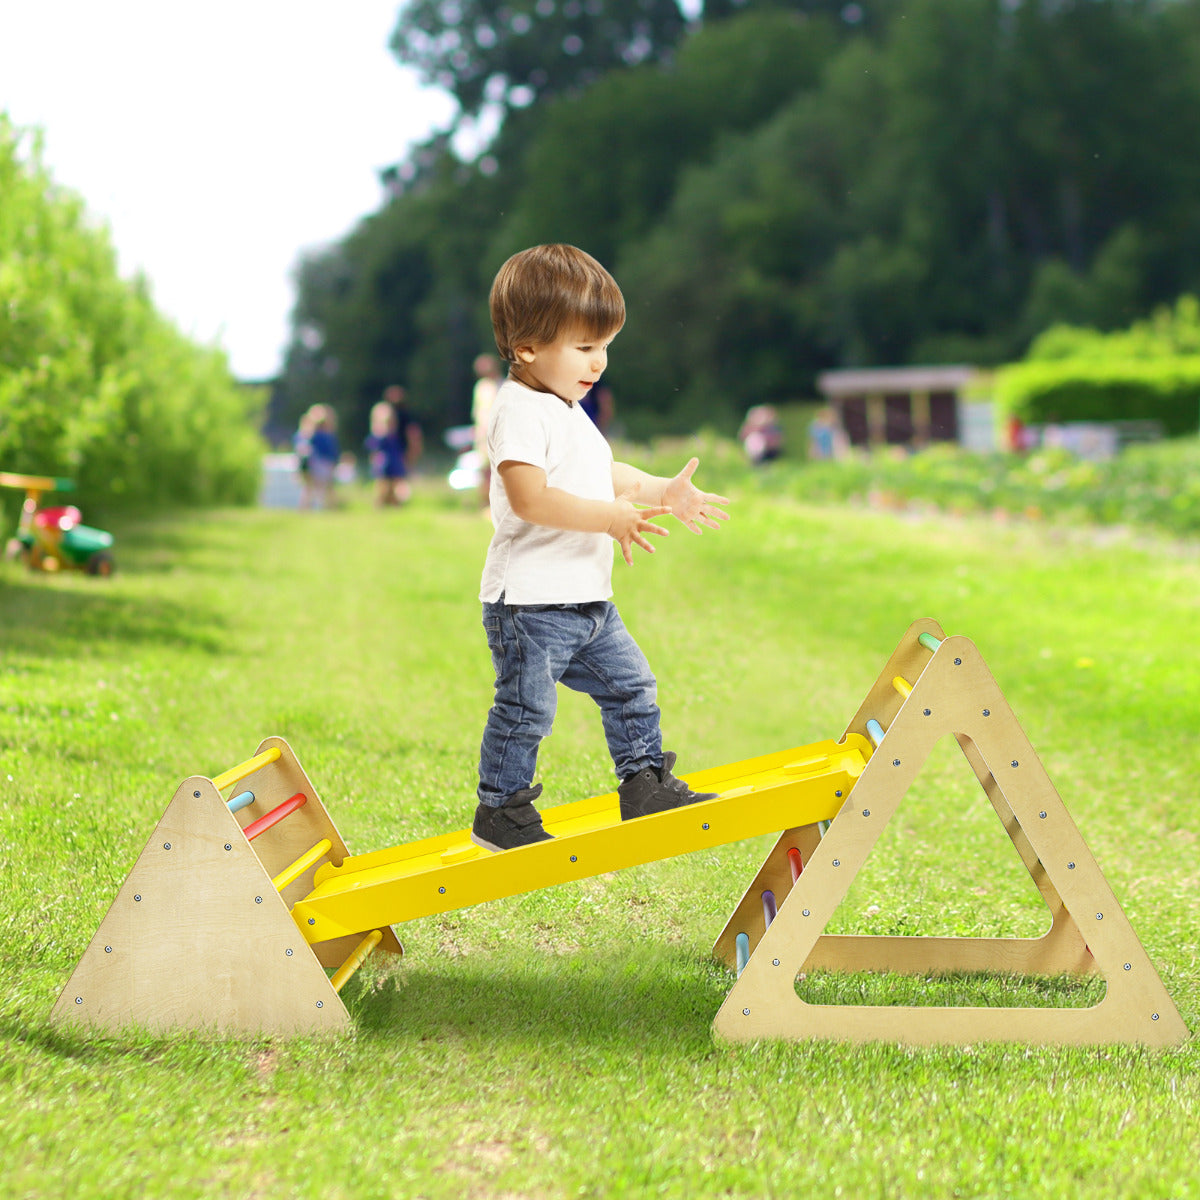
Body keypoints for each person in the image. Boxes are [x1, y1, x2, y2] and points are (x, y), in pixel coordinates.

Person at [472, 243, 732, 853]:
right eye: (585, 347)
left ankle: (644, 785)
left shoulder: (566, 409)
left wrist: (664, 491)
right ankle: (500, 809)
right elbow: (530, 497)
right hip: (530, 606)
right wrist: (609, 520)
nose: (599, 362)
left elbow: (604, 474)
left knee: (632, 686)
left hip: (588, 603)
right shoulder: (519, 411)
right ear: (527, 347)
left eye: (605, 346)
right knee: (527, 709)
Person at [471, 354, 502, 510]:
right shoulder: (481, 387)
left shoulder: (503, 385)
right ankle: (485, 503)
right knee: (485, 470)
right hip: (483, 435)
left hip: (499, 433)